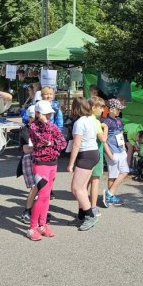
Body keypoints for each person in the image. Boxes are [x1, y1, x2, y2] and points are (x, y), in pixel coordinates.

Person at [26, 100, 66, 240]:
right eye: (45, 114)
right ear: (37, 113)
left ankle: (43, 224)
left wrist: (51, 143)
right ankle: (32, 227)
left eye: (49, 114)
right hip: (40, 163)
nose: (48, 117)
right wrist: (52, 143)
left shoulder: (53, 127)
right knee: (42, 195)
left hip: (53, 164)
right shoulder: (33, 126)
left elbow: (63, 143)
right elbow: (40, 140)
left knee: (47, 195)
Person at [67, 97, 105, 232]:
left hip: (86, 155)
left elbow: (76, 144)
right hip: (93, 153)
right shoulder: (91, 120)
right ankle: (81, 216)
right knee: (81, 188)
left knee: (76, 189)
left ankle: (90, 216)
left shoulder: (79, 122)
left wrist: (70, 163)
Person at [102, 98, 129, 206]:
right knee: (113, 174)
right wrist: (109, 153)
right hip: (112, 151)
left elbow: (120, 134)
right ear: (111, 109)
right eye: (118, 109)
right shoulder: (106, 122)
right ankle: (110, 196)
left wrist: (123, 148)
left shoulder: (119, 120)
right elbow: (104, 139)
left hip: (120, 150)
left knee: (124, 171)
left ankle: (109, 194)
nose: (119, 111)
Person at [88, 97, 109, 217]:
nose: (102, 109)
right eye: (100, 107)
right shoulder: (96, 122)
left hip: (85, 153)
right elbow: (103, 139)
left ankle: (83, 207)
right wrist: (105, 128)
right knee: (95, 180)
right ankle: (93, 206)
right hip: (96, 153)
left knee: (85, 182)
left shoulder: (83, 119)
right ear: (93, 108)